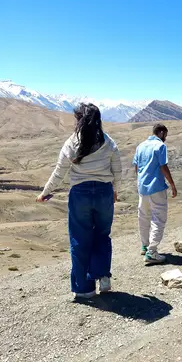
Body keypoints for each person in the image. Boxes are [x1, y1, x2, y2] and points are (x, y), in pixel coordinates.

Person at [36, 103, 122, 299]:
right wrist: (115, 191)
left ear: (79, 120)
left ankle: (84, 289)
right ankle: (102, 275)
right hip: (104, 193)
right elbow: (117, 171)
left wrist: (44, 193)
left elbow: (59, 173)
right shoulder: (109, 142)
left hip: (80, 195)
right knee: (102, 235)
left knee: (80, 239)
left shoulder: (71, 143)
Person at [133, 123, 177, 266]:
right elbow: (163, 166)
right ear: (162, 132)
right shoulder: (160, 146)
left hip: (142, 188)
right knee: (158, 218)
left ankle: (145, 246)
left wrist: (141, 180)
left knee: (143, 217)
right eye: (166, 135)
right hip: (156, 187)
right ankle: (152, 252)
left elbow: (136, 166)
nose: (166, 138)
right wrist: (172, 184)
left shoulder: (140, 146)